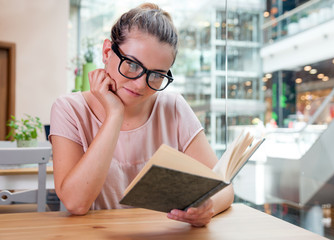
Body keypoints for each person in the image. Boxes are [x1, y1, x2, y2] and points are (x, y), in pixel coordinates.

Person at [49, 2, 234, 227]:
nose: (140, 85)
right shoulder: (69, 109)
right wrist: (114, 114)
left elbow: (222, 186)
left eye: (156, 75)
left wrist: (207, 206)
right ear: (107, 52)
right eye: (132, 65)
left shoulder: (172, 106)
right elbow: (76, 203)